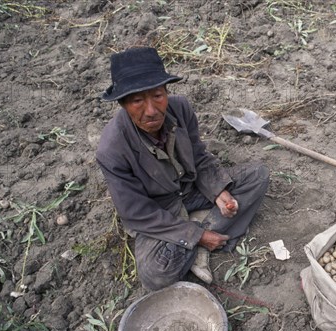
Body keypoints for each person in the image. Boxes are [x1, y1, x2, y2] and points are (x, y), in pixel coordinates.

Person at [96, 47, 269, 291]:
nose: (151, 110)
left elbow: (199, 156)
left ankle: (196, 236)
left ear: (166, 92)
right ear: (123, 104)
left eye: (157, 96)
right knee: (155, 275)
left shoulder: (180, 109)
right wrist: (196, 236)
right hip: (160, 209)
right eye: (137, 101)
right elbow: (137, 213)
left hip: (189, 188)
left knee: (257, 176)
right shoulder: (112, 149)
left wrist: (218, 191)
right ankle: (202, 234)